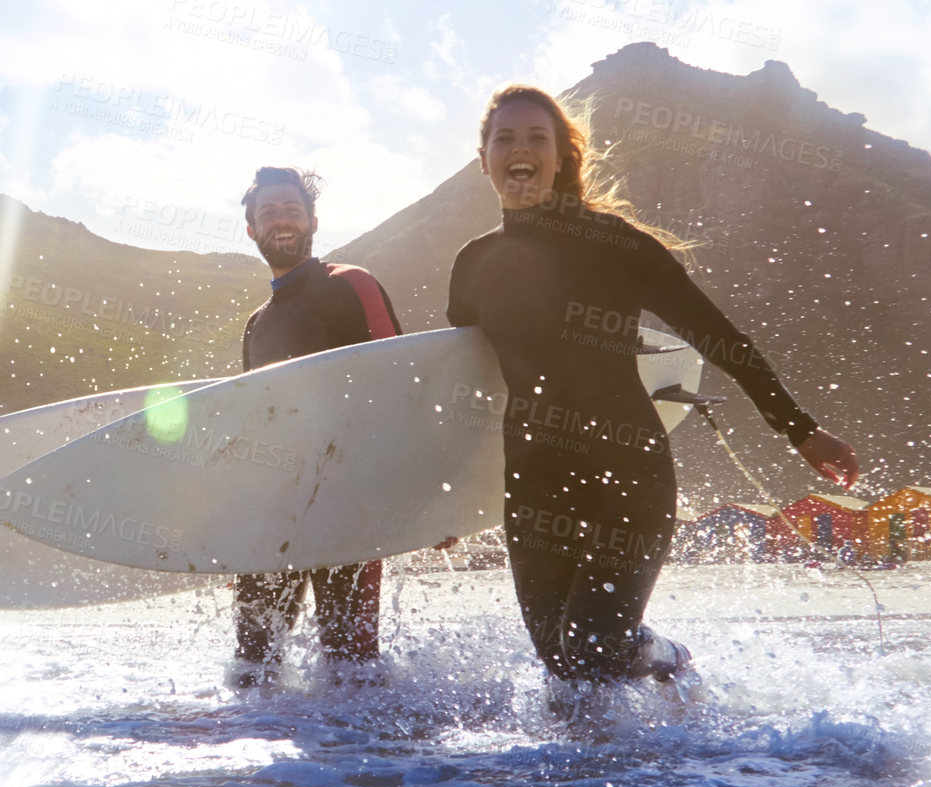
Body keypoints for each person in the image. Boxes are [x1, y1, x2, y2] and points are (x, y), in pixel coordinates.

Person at [446, 85, 859, 694]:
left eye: (538, 137)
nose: (521, 150)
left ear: (562, 156)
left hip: (627, 472)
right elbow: (466, 378)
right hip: (534, 483)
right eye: (504, 138)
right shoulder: (474, 265)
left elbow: (719, 338)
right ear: (484, 159)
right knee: (560, 664)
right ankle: (590, 780)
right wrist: (442, 500)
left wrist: (799, 428)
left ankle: (667, 655)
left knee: (591, 649)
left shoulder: (616, 245)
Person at [231, 165, 403, 688]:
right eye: (269, 213)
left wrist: (426, 490)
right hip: (274, 508)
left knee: (351, 669)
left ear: (312, 222)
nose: (281, 221)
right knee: (252, 666)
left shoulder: (350, 284)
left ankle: (361, 769)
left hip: (347, 502)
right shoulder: (256, 325)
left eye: (292, 210)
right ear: (251, 230)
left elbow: (403, 385)